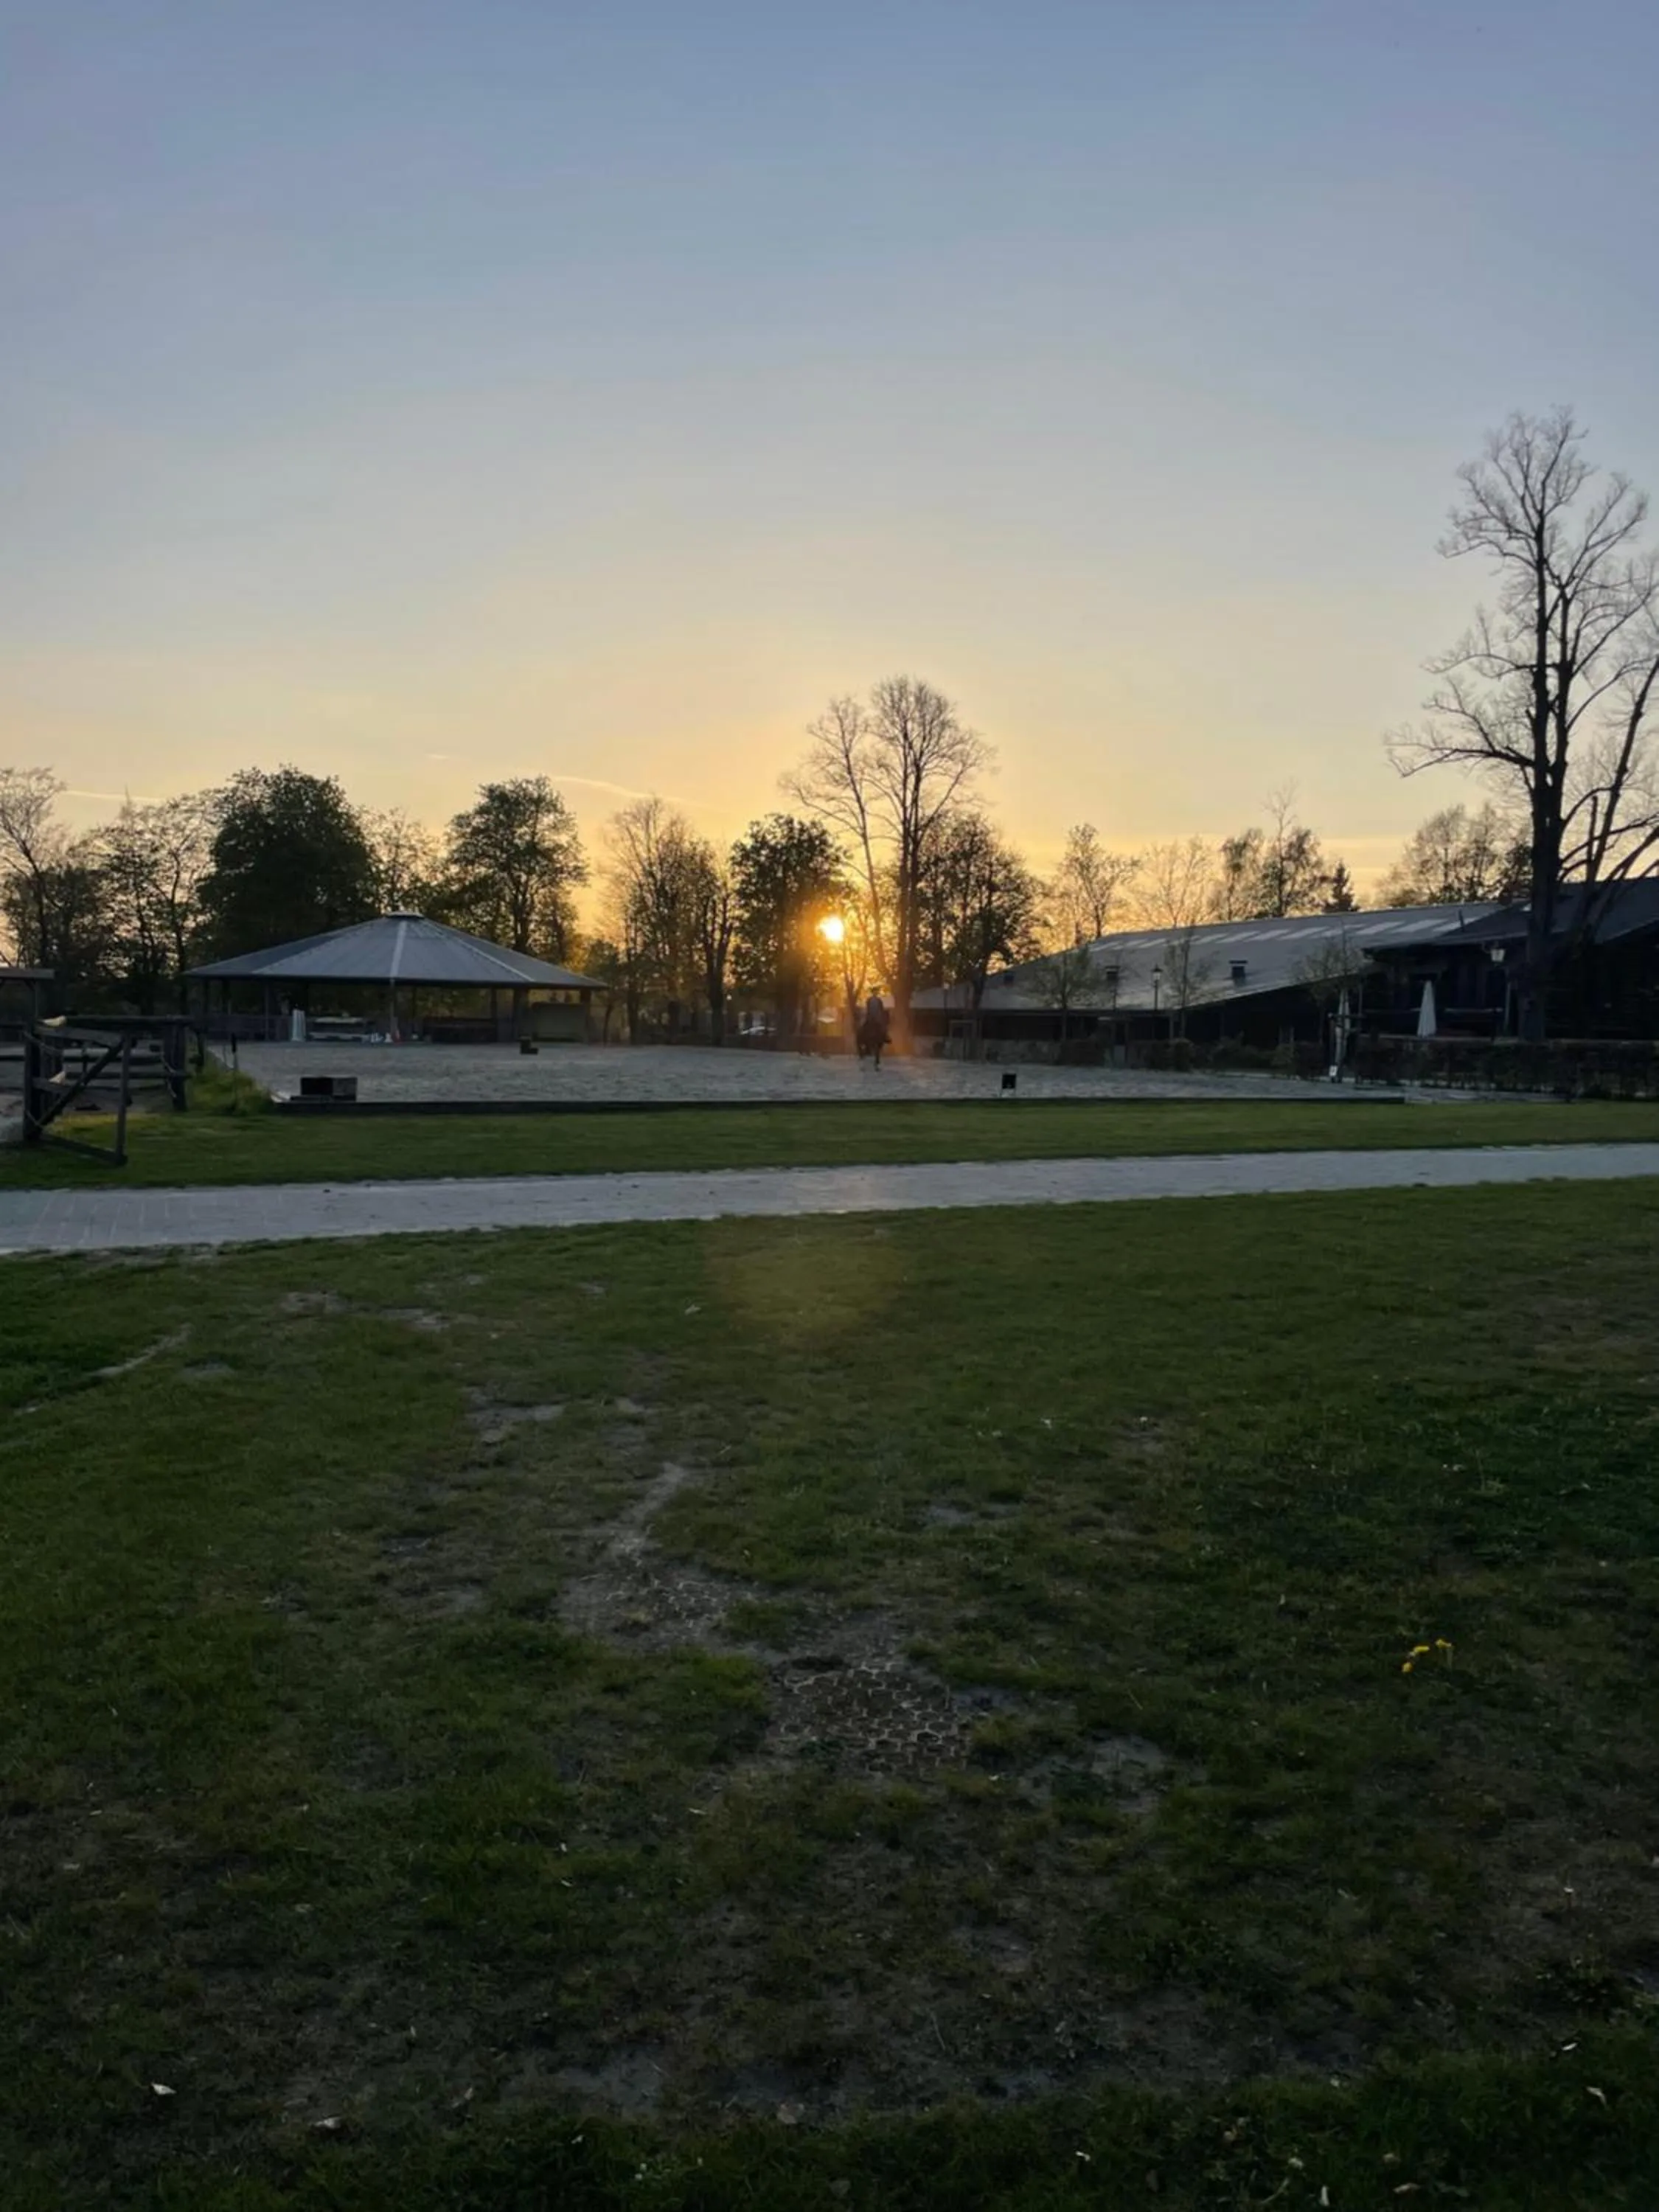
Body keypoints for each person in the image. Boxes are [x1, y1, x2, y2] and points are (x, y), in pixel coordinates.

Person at [858, 991, 891, 1069]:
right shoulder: (878, 1000)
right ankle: (885, 1037)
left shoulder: (870, 1000)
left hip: (871, 1017)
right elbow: (881, 1009)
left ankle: (861, 1039)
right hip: (875, 1017)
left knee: (864, 1027)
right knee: (881, 1027)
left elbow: (869, 1008)